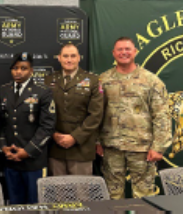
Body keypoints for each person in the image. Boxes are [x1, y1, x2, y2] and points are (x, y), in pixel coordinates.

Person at [98, 37, 172, 199]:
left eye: (127, 49)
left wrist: (159, 146)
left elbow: (162, 116)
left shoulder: (151, 81)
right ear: (113, 53)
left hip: (142, 149)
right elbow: (96, 114)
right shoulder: (103, 80)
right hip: (112, 147)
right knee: (113, 196)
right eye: (119, 49)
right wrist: (97, 141)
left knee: (144, 196)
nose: (123, 52)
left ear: (135, 52)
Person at [0, 52, 55, 204]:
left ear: (31, 71)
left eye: (23, 68)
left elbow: (47, 126)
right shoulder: (4, 90)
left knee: (35, 204)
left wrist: (27, 151)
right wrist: (3, 147)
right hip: (11, 159)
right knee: (15, 204)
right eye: (15, 68)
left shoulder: (43, 91)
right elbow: (1, 123)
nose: (19, 72)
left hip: (33, 161)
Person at [44, 44, 103, 176]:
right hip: (55, 147)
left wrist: (74, 137)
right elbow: (44, 112)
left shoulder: (93, 80)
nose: (69, 60)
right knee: (58, 193)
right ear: (59, 58)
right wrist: (53, 134)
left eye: (72, 56)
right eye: (65, 56)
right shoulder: (49, 80)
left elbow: (95, 115)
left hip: (81, 149)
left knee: (80, 193)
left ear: (79, 58)